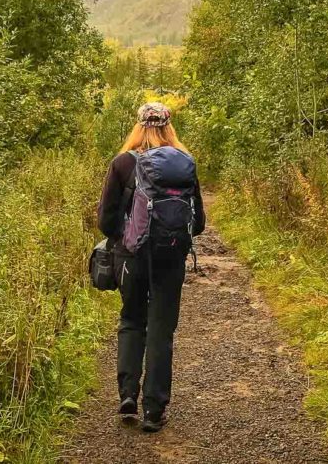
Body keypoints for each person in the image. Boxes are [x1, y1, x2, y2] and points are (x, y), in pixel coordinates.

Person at [96, 102, 205, 433]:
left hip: (130, 257)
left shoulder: (122, 163)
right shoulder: (184, 164)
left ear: (138, 125)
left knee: (131, 320)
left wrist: (126, 238)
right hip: (170, 259)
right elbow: (197, 222)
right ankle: (154, 411)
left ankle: (128, 394)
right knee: (161, 330)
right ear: (169, 126)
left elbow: (105, 221)